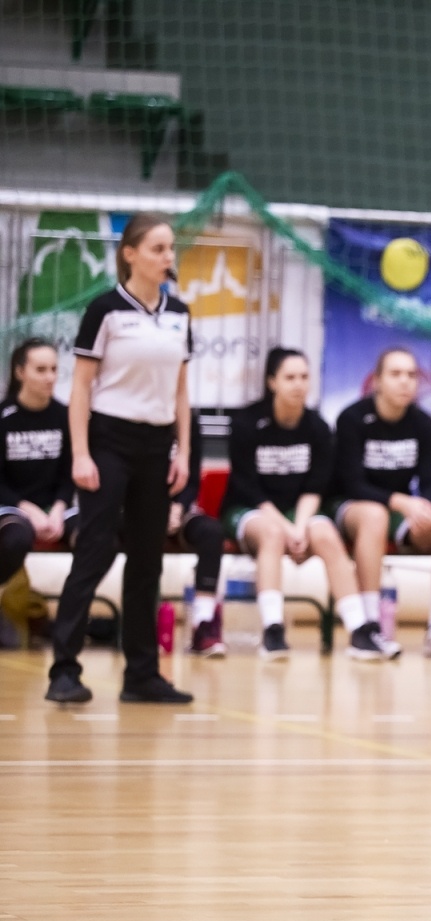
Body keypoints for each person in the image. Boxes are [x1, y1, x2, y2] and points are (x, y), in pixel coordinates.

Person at [46, 212, 196, 704]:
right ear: (129, 253)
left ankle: (142, 675)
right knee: (94, 552)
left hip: (158, 449)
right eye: (157, 248)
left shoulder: (180, 313)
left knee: (148, 562)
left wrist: (183, 452)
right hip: (109, 442)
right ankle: (64, 671)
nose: (167, 257)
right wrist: (82, 454)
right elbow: (82, 388)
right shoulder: (104, 310)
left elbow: (180, 391)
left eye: (170, 248)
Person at [221, 346, 386, 659]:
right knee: (271, 534)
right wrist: (286, 528)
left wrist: (299, 527)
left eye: (304, 377)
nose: (298, 384)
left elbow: (316, 487)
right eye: (290, 377)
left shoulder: (318, 427)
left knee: (326, 536)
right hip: (250, 508)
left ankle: (359, 631)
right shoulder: (246, 422)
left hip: (299, 509)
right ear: (272, 382)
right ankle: (273, 630)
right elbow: (248, 487)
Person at [328, 347, 431, 660]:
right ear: (377, 381)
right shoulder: (352, 418)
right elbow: (352, 483)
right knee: (375, 515)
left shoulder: (422, 423)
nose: (405, 382)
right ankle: (370, 624)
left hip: (398, 510)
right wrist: (401, 501)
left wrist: (427, 508)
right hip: (352, 507)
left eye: (411, 375)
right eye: (396, 374)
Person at [0, 340, 75, 599]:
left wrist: (58, 509)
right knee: (16, 538)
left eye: (54, 369)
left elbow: (70, 475)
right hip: (10, 507)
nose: (50, 377)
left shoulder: (66, 416)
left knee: (99, 540)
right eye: (41, 370)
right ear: (21, 372)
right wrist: (28, 510)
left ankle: (72, 613)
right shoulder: (4, 417)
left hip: (55, 510)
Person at [167, 408, 228, 657]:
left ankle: (203, 623)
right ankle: (139, 623)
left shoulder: (188, 420)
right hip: (137, 510)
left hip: (179, 510)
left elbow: (192, 480)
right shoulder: (135, 416)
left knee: (211, 532)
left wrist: (178, 508)